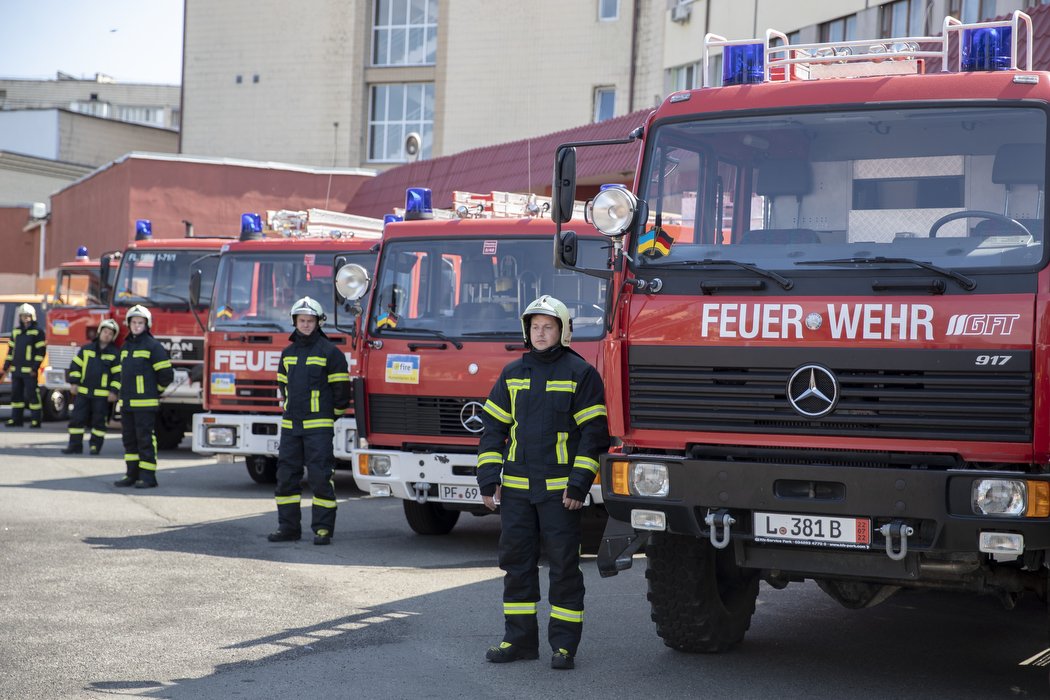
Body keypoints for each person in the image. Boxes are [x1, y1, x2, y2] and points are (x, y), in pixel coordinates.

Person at [476, 295, 610, 671]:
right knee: (516, 564)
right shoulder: (513, 373)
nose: (540, 333)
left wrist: (580, 483)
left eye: (548, 326)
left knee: (564, 566)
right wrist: (489, 478)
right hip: (517, 490)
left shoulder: (580, 374)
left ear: (563, 331)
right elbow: (492, 430)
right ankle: (518, 641)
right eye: (535, 327)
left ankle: (564, 646)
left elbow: (593, 434)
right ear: (526, 330)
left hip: (559, 493)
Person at [268, 296, 350, 546]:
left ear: (318, 322)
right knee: (286, 478)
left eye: (310, 320)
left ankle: (323, 529)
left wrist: (329, 417)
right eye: (301, 320)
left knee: (320, 478)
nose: (305, 324)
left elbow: (341, 393)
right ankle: (288, 528)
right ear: (295, 321)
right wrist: (288, 410)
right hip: (291, 427)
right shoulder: (288, 354)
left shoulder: (331, 353)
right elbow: (283, 386)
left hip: (319, 429)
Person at [110, 305, 173, 488]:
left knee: (145, 439)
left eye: (141, 323)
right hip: (128, 403)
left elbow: (166, 375)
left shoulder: (153, 346)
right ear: (128, 324)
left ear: (147, 325)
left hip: (146, 403)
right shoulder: (126, 346)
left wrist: (155, 390)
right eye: (134, 322)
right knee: (129, 440)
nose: (137, 326)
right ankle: (132, 474)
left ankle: (148, 477)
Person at [62, 319, 120, 455]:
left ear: (113, 337)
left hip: (102, 396)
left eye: (110, 333)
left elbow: (118, 375)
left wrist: (114, 391)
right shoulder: (86, 349)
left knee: (99, 422)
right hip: (83, 393)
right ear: (100, 332)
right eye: (105, 332)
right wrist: (74, 383)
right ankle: (74, 446)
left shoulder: (114, 354)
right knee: (77, 419)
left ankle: (95, 446)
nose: (107, 335)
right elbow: (75, 366)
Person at [3, 303, 45, 428]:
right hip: (16, 370)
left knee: (32, 395)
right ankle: (16, 419)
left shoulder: (37, 332)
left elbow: (40, 352)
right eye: (23, 316)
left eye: (27, 316)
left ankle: (36, 420)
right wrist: (6, 367)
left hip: (29, 371)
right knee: (16, 396)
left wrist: (35, 368)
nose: (25, 318)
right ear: (20, 317)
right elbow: (11, 351)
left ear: (32, 316)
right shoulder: (16, 331)